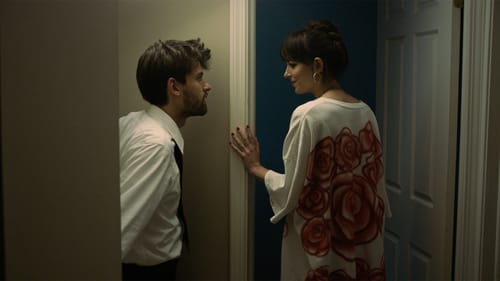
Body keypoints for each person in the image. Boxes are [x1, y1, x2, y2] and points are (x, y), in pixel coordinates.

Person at [230, 20, 391, 281]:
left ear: (317, 65)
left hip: (322, 248)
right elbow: (376, 192)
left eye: (292, 64)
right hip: (362, 241)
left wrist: (255, 167)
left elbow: (293, 192)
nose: (286, 73)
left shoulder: (308, 115)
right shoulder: (366, 113)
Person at [120, 38, 212, 281]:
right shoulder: (157, 147)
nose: (207, 86)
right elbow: (121, 229)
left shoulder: (131, 122)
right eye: (199, 78)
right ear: (175, 87)